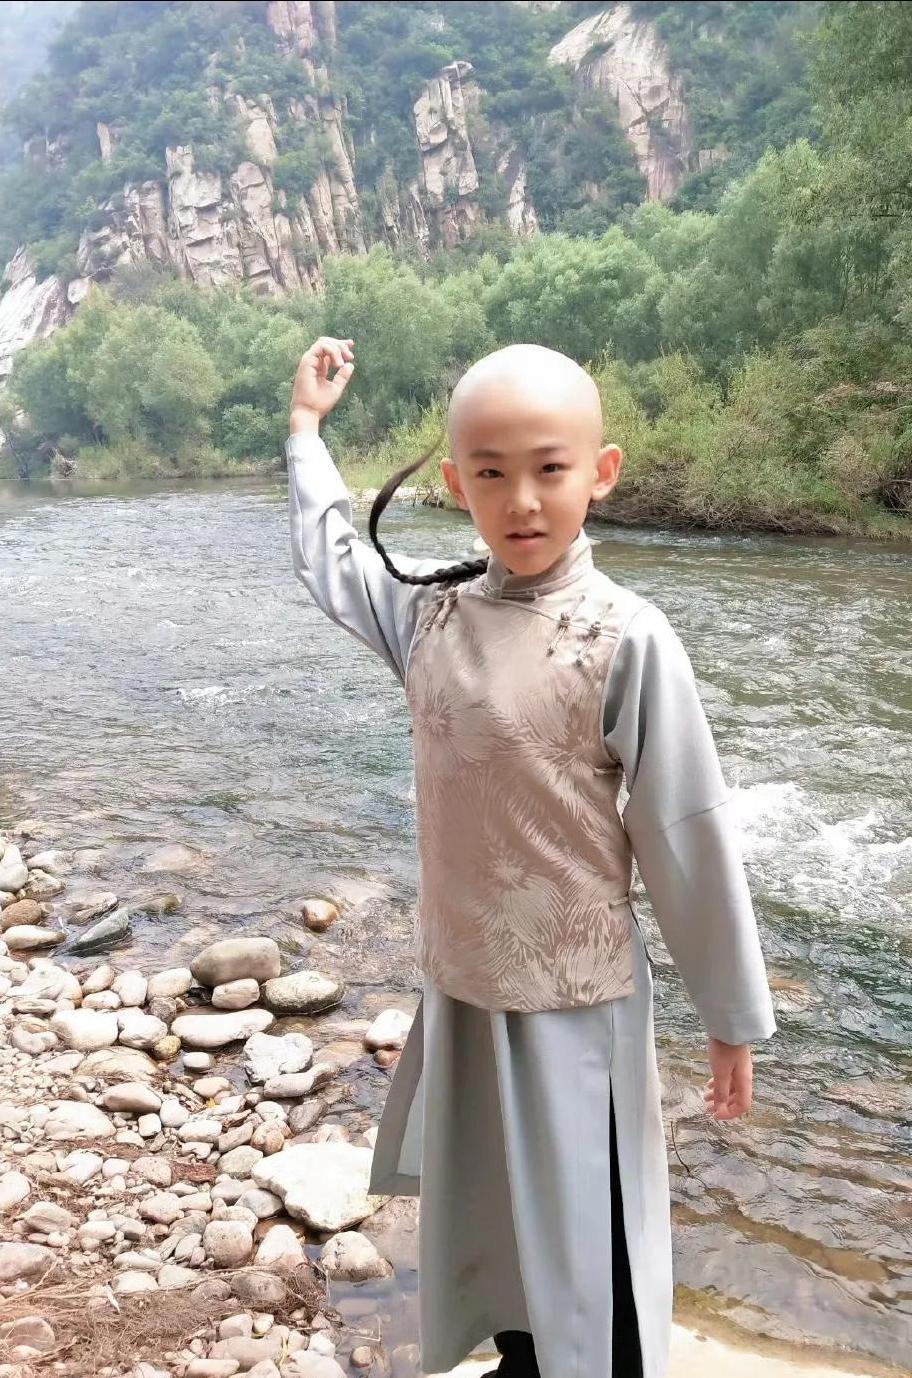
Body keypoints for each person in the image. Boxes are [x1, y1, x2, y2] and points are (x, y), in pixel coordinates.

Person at [285, 336, 776, 1378]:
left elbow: (684, 831)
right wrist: (304, 431)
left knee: (592, 1261)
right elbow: (335, 564)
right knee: (499, 1231)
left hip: (575, 1008)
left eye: (550, 468)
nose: (521, 501)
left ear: (601, 472)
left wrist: (730, 1017)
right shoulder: (431, 616)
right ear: (455, 482)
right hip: (465, 989)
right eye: (492, 473)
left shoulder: (624, 637)